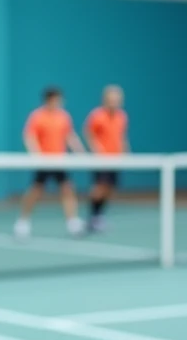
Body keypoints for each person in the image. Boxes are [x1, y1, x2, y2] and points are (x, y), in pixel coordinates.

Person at [14, 87, 87, 239]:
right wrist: (36, 154)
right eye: (56, 99)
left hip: (59, 161)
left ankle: (72, 222)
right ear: (49, 100)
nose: (59, 102)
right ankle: (23, 222)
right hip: (44, 161)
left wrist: (80, 152)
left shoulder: (63, 116)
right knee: (36, 191)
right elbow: (29, 136)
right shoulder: (37, 116)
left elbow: (70, 136)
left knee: (67, 189)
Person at [83, 84, 130, 232]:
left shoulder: (122, 116)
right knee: (99, 188)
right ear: (105, 99)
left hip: (116, 160)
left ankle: (100, 216)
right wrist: (97, 149)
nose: (114, 102)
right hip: (101, 160)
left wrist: (125, 150)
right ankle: (92, 217)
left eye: (117, 99)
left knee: (110, 188)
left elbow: (122, 136)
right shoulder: (97, 115)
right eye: (111, 99)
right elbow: (89, 133)